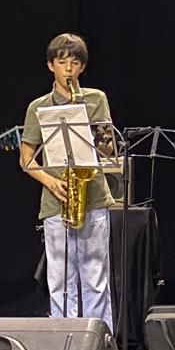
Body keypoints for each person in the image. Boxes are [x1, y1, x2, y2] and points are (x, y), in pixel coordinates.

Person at [19, 33, 117, 334]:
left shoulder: (95, 99)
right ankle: (64, 339)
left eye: (75, 63)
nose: (69, 70)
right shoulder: (39, 107)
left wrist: (99, 139)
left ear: (82, 67)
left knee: (95, 276)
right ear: (51, 66)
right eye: (62, 63)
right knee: (60, 279)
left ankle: (101, 340)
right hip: (55, 199)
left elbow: (107, 150)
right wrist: (50, 181)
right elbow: (26, 160)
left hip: (95, 197)